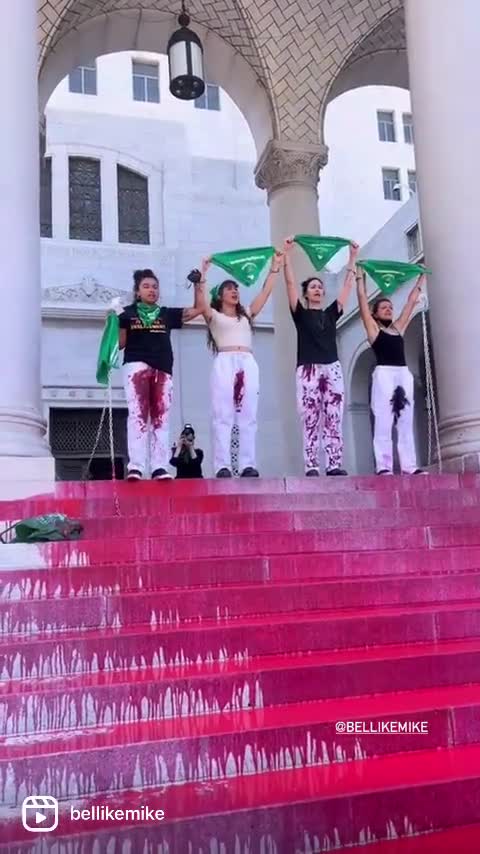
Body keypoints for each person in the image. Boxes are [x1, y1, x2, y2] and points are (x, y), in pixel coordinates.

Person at [201, 250, 284, 478]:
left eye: (236, 288)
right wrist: (203, 274)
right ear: (220, 296)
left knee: (248, 415)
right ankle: (222, 465)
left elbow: (265, 293)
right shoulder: (214, 316)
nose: (234, 291)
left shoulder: (246, 314)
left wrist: (275, 266)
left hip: (247, 362)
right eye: (229, 288)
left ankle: (248, 464)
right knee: (223, 415)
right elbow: (201, 303)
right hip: (225, 361)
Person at [119, 267, 205, 481]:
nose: (152, 290)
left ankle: (159, 466)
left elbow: (199, 309)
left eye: (155, 287)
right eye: (146, 286)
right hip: (137, 366)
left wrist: (198, 283)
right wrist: (113, 321)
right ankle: (136, 466)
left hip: (163, 369)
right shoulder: (127, 313)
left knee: (161, 418)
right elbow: (120, 344)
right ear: (137, 291)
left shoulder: (166, 314)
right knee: (138, 416)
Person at [283, 237, 360, 476]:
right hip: (308, 369)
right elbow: (290, 284)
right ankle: (312, 465)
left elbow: (347, 286)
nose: (317, 289)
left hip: (332, 368)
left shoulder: (331, 313)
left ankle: (334, 463)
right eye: (313, 287)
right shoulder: (300, 313)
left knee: (334, 416)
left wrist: (353, 257)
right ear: (306, 294)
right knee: (310, 417)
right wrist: (286, 255)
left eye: (320, 286)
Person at [356, 267, 427, 475]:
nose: (388, 310)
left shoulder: (398, 328)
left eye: (390, 307)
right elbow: (362, 301)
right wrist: (360, 276)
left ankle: (409, 465)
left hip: (402, 374)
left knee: (405, 420)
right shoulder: (373, 330)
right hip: (384, 375)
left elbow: (410, 302)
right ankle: (384, 466)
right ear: (375, 314)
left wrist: (421, 277)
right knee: (383, 420)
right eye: (384, 308)